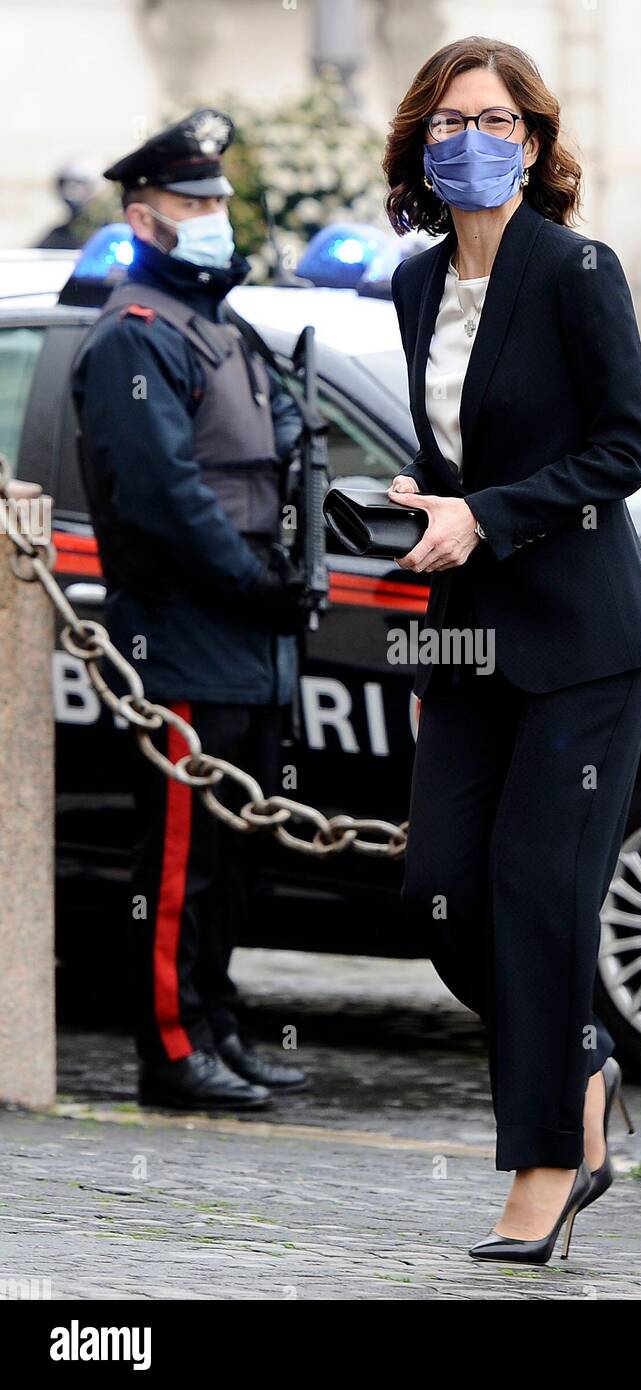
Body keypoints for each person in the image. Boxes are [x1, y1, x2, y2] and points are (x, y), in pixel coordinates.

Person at [382, 37, 641, 1263]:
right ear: (419, 142)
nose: (470, 137)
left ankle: (547, 1167)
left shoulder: (576, 271)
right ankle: (584, 1065)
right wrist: (425, 505)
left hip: (583, 644)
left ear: (537, 143)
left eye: (495, 118)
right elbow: (461, 460)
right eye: (447, 119)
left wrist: (486, 515)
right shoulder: (410, 283)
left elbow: (624, 450)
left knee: (538, 898)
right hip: (468, 643)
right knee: (441, 896)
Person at [72, 110, 311, 1111]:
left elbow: (289, 447)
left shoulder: (225, 326)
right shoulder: (135, 335)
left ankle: (216, 1024)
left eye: (220, 199)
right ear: (143, 216)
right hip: (182, 631)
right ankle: (170, 1050)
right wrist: (256, 584)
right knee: (178, 865)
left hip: (248, 640)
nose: (215, 215)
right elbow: (165, 497)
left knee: (234, 856)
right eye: (193, 202)